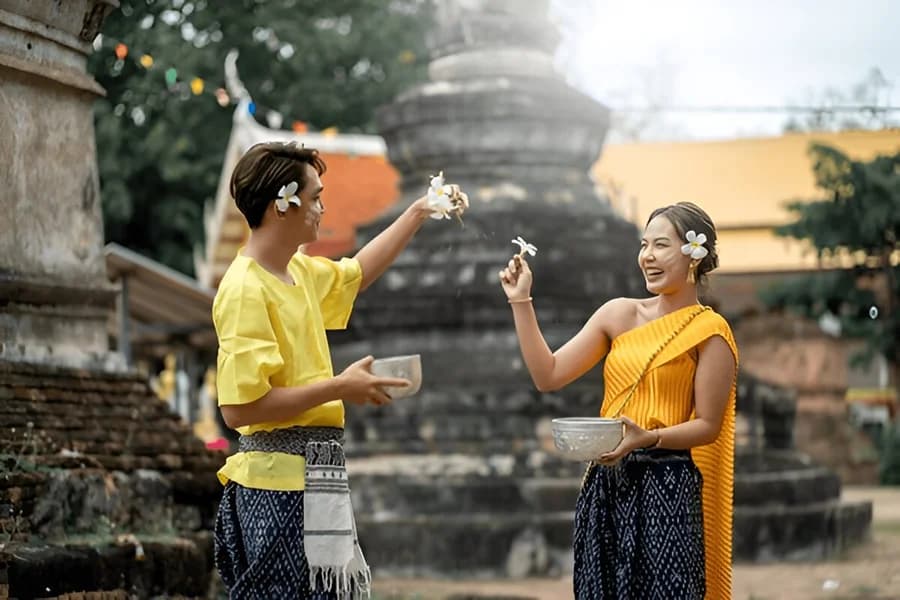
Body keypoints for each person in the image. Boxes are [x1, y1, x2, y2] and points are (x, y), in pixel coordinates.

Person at [212, 141, 440, 598]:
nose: (322, 208)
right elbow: (239, 409)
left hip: (317, 477)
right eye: (315, 197)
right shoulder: (244, 288)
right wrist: (339, 386)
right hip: (274, 486)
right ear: (282, 205)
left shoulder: (295, 271)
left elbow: (356, 273)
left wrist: (418, 211)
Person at [499, 202, 738, 599]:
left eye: (661, 245)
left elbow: (708, 426)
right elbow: (549, 374)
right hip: (607, 483)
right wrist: (520, 301)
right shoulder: (618, 314)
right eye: (644, 245)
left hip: (667, 487)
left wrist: (649, 437)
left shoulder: (709, 332)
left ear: (693, 255)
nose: (647, 256)